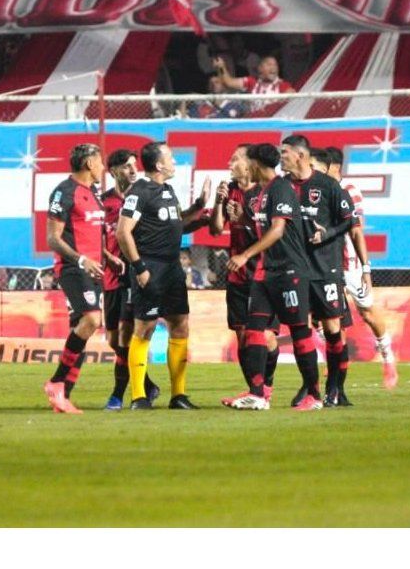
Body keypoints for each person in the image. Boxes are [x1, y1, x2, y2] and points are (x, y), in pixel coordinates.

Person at [224, 143, 321, 411]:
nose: (246, 167)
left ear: (256, 164)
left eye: (248, 162)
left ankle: (314, 396)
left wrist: (245, 255)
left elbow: (277, 230)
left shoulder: (280, 188)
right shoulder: (264, 192)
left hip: (289, 271)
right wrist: (242, 219)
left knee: (299, 331)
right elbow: (263, 228)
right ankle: (257, 394)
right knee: (253, 329)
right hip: (266, 272)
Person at [116, 141, 211, 410]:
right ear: (158, 165)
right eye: (170, 157)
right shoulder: (140, 192)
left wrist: (200, 205)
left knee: (180, 324)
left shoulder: (166, 190)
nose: (174, 161)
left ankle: (178, 395)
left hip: (172, 269)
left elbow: (174, 223)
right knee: (144, 328)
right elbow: (123, 232)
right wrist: (139, 268)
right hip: (150, 268)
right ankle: (138, 397)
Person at [315, 147, 397, 389]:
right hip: (325, 264)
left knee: (367, 313)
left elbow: (356, 228)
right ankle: (335, 365)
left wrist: (365, 267)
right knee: (327, 318)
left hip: (349, 264)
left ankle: (388, 357)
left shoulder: (349, 190)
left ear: (334, 167)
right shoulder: (315, 190)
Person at [286, 142, 357, 407]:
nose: (282, 157)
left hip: (326, 268)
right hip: (296, 269)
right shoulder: (283, 187)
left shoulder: (329, 186)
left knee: (333, 329)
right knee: (301, 329)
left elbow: (350, 220)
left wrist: (327, 234)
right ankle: (310, 387)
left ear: (301, 156)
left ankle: (335, 388)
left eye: (285, 153)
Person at [209, 144, 279, 404]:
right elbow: (216, 229)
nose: (230, 164)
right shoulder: (231, 191)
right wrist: (218, 202)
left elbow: (271, 233)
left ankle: (265, 385)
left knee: (265, 337)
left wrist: (243, 219)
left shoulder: (265, 193)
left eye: (235, 159)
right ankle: (253, 390)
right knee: (242, 337)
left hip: (264, 273)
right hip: (237, 275)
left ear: (249, 164)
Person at [41, 144, 108, 414]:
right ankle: (56, 382)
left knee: (82, 329)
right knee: (92, 319)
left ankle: (63, 396)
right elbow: (52, 238)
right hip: (73, 268)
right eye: (100, 161)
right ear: (89, 163)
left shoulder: (94, 193)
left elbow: (93, 233)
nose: (103, 166)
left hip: (95, 269)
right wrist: (81, 260)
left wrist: (108, 257)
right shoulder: (64, 192)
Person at [99, 149, 160, 411]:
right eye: (126, 166)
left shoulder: (145, 197)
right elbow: (94, 238)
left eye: (135, 165)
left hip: (134, 276)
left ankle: (117, 396)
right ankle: (147, 384)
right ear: (113, 171)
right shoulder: (103, 203)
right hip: (111, 278)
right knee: (114, 340)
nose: (133, 170)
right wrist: (107, 257)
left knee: (125, 337)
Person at [212, 55, 295, 113]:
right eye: (269, 64)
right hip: (255, 123)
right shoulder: (252, 82)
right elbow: (229, 82)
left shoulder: (282, 85)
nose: (273, 67)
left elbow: (293, 95)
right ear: (260, 68)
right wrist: (221, 67)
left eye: (275, 65)